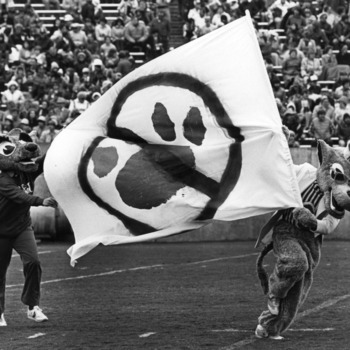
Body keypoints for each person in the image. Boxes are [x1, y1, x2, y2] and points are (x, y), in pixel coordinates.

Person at [0, 131, 57, 327]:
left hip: (22, 227)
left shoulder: (27, 171)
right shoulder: (2, 179)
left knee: (33, 262)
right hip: (1, 231)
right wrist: (41, 201)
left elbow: (42, 161)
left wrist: (62, 140)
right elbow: (19, 196)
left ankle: (33, 307)